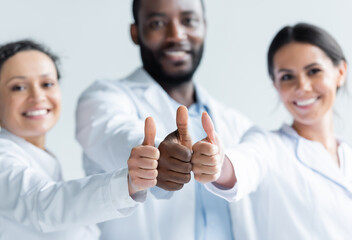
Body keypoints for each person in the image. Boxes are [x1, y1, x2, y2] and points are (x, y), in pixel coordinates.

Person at [76, 0, 255, 239]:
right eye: (158, 23)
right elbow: (114, 135)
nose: (176, 35)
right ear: (135, 32)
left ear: (204, 27)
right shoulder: (102, 100)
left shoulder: (236, 122)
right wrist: (155, 156)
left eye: (189, 21)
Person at [192, 23, 352, 239]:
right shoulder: (268, 146)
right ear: (276, 85)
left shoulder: (347, 155)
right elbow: (243, 164)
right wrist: (218, 164)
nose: (302, 86)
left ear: (340, 72)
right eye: (287, 77)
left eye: (314, 71)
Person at [0, 40, 159, 240]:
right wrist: (127, 184)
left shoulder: (43, 160)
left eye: (47, 84)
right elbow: (43, 204)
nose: (37, 97)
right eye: (18, 87)